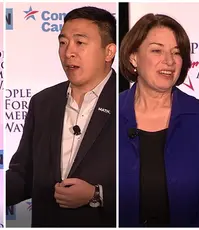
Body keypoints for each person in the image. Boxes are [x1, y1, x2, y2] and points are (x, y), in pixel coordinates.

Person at [6, 6, 116, 227]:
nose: (68, 53)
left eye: (80, 43)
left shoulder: (131, 103)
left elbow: (149, 186)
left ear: (109, 52)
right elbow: (23, 174)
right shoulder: (42, 103)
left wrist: (97, 194)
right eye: (63, 42)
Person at [119, 13, 199, 227]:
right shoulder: (107, 114)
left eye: (176, 53)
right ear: (133, 57)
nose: (169, 61)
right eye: (157, 50)